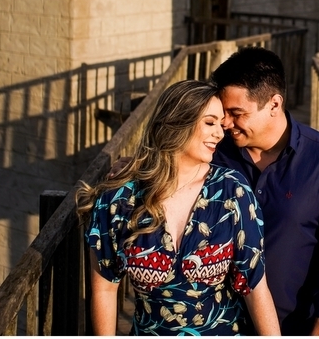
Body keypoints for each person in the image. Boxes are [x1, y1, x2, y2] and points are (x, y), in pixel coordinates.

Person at [77, 80, 280, 336]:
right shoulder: (120, 200)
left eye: (220, 124)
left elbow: (254, 287)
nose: (219, 133)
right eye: (209, 123)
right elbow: (105, 288)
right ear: (177, 123)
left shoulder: (231, 192)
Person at [211, 47, 319, 336]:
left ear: (274, 104)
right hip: (216, 323)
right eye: (223, 112)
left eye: (236, 113)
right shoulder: (212, 151)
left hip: (293, 325)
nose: (225, 123)